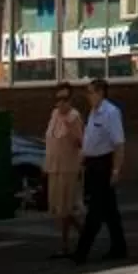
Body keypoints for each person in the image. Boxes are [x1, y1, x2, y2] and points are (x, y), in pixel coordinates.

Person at [71, 72, 129, 263]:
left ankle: (82, 252)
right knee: (110, 211)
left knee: (95, 211)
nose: (89, 96)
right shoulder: (93, 112)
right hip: (92, 164)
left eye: (91, 92)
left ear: (101, 93)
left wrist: (115, 170)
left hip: (104, 164)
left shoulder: (111, 113)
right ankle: (119, 247)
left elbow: (118, 144)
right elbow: (90, 140)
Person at [44, 82, 85, 257]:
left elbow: (80, 142)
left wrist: (70, 128)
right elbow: (50, 140)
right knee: (58, 209)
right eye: (59, 99)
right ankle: (84, 234)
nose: (61, 103)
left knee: (65, 209)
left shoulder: (74, 117)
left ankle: (66, 245)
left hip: (68, 167)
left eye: (65, 99)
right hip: (54, 167)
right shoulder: (54, 115)